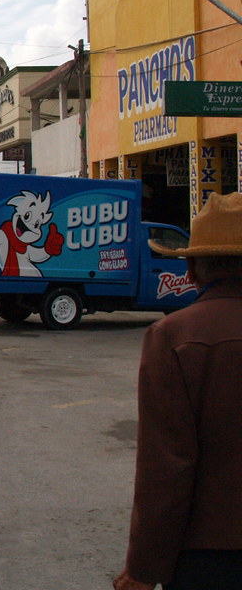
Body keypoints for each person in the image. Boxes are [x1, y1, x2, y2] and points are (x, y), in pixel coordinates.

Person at [113, 192, 242, 590]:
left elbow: (166, 468)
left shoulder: (175, 336)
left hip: (212, 556)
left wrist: (142, 570)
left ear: (190, 268)